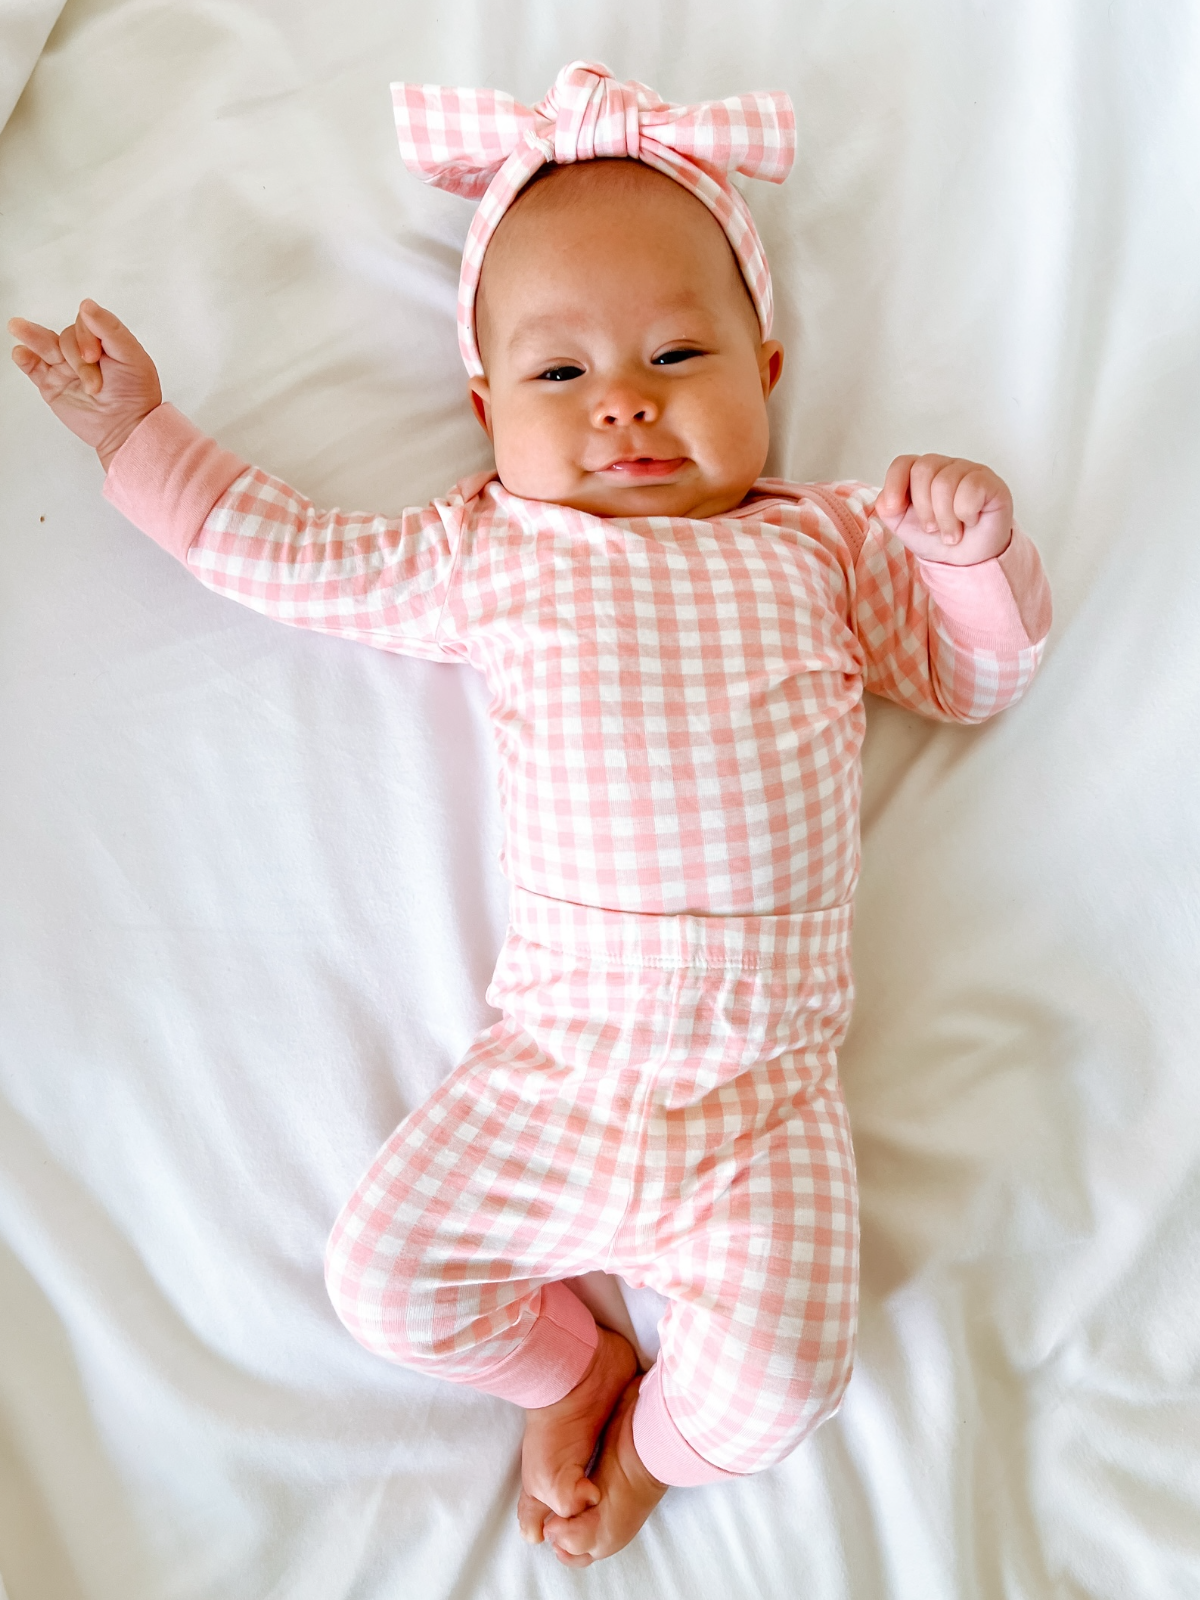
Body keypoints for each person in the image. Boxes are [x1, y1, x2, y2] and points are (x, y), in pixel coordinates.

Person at [8, 60, 1051, 1569]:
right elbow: (292, 557)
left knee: (787, 1377)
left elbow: (972, 680)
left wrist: (971, 554)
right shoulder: (496, 548)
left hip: (762, 1091)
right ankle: (573, 1369)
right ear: (488, 409)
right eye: (561, 378)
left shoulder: (822, 547)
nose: (624, 399)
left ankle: (649, 1452)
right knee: (389, 1281)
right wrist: (141, 438)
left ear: (766, 371)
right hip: (559, 1063)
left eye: (677, 353)